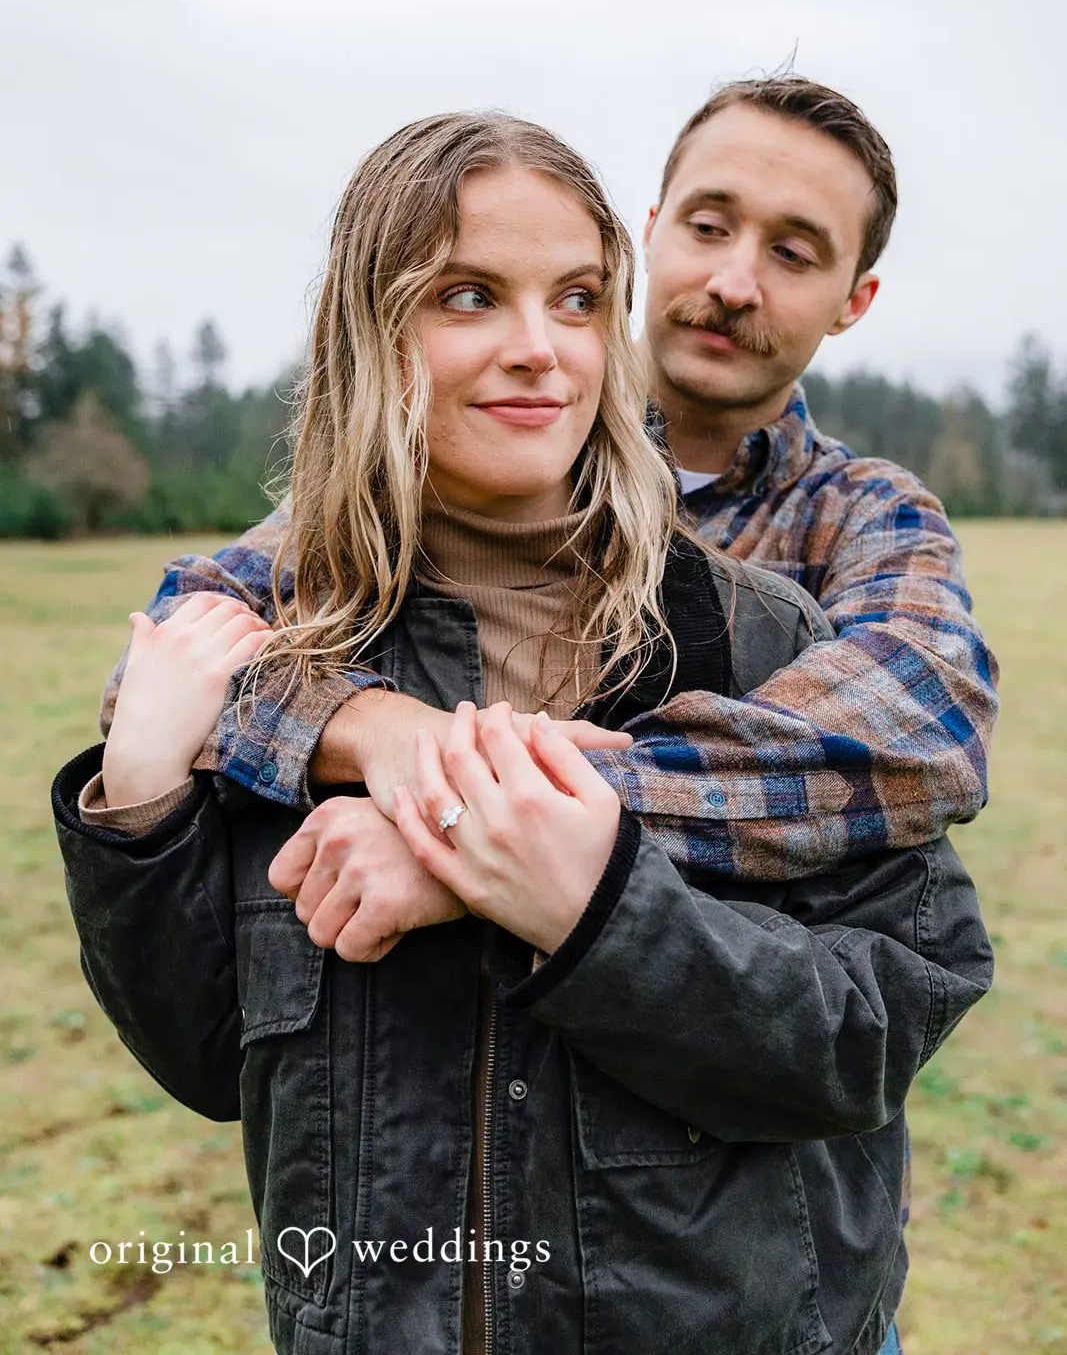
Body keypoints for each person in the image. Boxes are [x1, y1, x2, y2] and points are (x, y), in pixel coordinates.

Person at [53, 112, 992, 1355]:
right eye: (467, 296)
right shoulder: (282, 626)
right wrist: (162, 782)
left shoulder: (781, 612)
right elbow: (212, 1056)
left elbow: (871, 964)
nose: (536, 349)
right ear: (368, 328)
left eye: (572, 299)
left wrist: (514, 847)